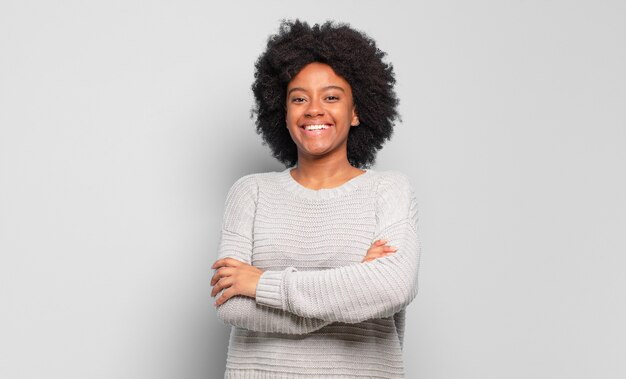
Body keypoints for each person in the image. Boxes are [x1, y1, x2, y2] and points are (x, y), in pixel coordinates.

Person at [210, 19, 421, 379]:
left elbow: (391, 287)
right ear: (284, 111)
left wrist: (262, 283)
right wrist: (353, 287)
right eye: (299, 98)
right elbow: (232, 306)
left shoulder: (389, 190)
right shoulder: (251, 192)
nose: (313, 109)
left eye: (332, 97)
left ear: (356, 112)